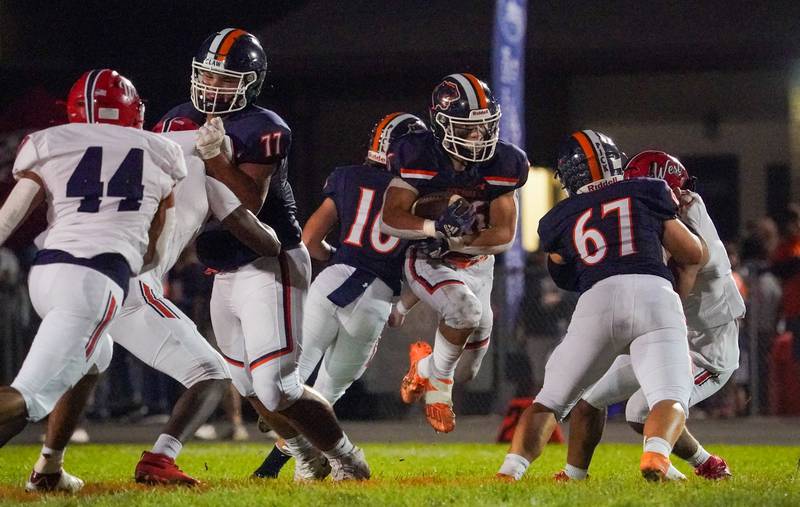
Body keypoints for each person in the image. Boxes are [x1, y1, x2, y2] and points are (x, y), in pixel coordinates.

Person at [26, 115, 284, 490]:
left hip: (62, 276)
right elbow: (266, 244)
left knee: (89, 365)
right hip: (126, 281)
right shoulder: (197, 163)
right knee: (210, 373)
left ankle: (49, 468)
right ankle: (160, 458)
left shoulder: (125, 156)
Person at [162, 28, 369, 480]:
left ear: (250, 82)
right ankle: (304, 455)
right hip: (222, 265)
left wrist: (216, 158)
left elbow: (249, 203)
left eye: (225, 79)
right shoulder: (175, 119)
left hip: (269, 260)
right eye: (208, 77)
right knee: (246, 384)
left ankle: (348, 459)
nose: (213, 88)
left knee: (277, 387)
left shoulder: (266, 127)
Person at [0, 69, 186, 492]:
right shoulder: (161, 151)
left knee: (95, 356)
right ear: (129, 110)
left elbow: (11, 215)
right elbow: (160, 247)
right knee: (27, 396)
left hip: (46, 272)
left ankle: (49, 469)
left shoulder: (51, 141)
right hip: (96, 277)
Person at [496, 130, 704, 482]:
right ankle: (655, 454)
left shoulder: (558, 217)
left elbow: (564, 274)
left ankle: (510, 470)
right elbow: (692, 254)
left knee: (550, 400)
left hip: (598, 300)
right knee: (669, 395)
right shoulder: (648, 190)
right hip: (655, 293)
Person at [253, 112, 426, 479]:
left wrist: (343, 258)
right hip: (376, 297)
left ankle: (278, 467)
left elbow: (311, 238)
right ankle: (320, 467)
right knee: (326, 393)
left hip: (332, 282)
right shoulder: (421, 194)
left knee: (287, 383)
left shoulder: (346, 177)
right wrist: (403, 304)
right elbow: (423, 269)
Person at [557, 150, 744, 482]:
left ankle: (693, 465)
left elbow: (672, 289)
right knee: (587, 395)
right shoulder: (673, 210)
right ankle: (574, 476)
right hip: (667, 335)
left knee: (640, 411)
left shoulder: (691, 233)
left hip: (706, 351)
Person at [380, 73, 529, 433]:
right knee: (464, 310)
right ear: (442, 125)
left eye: (484, 127)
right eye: (468, 129)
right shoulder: (419, 154)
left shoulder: (505, 163)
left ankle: (425, 368)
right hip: (429, 258)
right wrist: (434, 230)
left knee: (469, 370)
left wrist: (454, 240)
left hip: (477, 264)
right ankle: (438, 391)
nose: (479, 138)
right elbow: (390, 218)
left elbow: (504, 236)